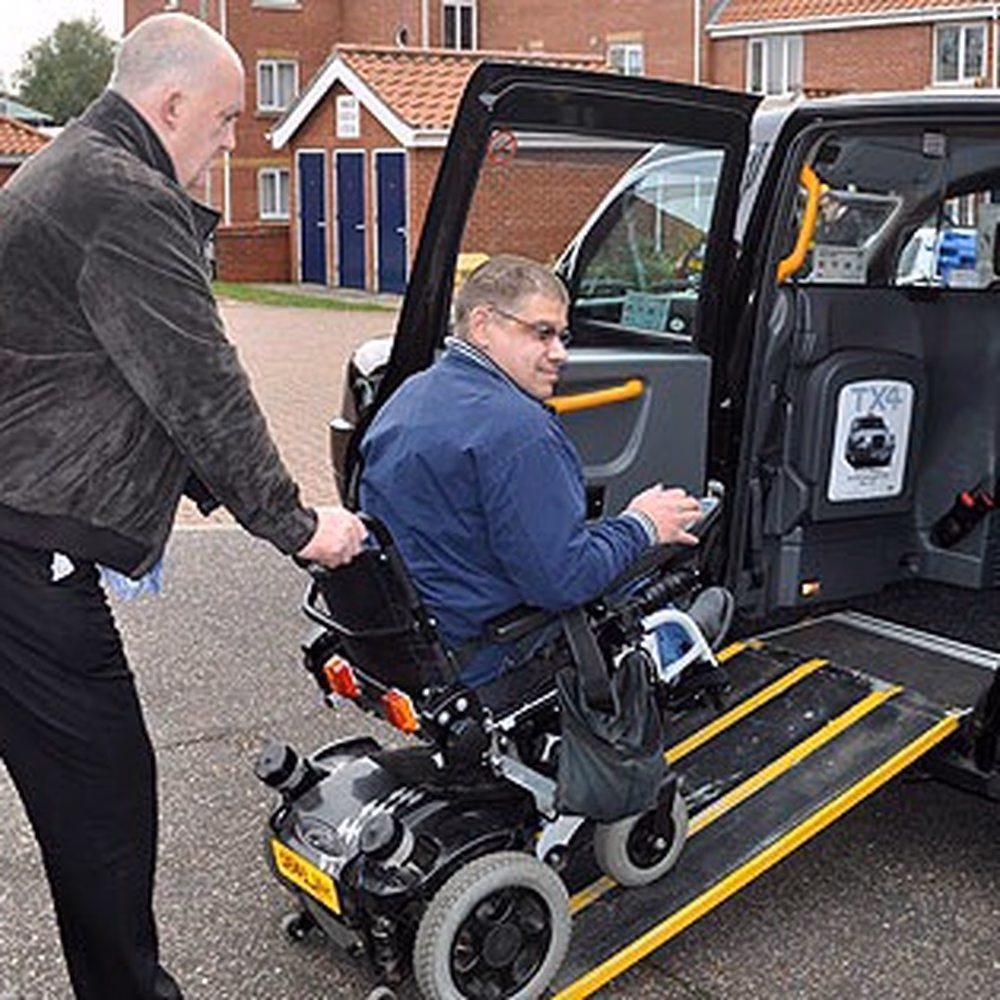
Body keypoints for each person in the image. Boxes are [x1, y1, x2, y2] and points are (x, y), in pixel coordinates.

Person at [0, 13, 365, 1000]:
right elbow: (199, 381)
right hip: (24, 555)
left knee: (91, 801)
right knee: (104, 806)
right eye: (227, 116)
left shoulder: (79, 172)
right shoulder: (120, 194)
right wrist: (298, 524)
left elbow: (128, 381)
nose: (235, 138)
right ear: (169, 105)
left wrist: (211, 486)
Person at [359, 253, 732, 693]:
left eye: (563, 336)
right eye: (542, 334)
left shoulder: (410, 395)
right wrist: (643, 525)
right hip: (496, 655)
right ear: (482, 326)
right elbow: (563, 582)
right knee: (687, 588)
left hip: (423, 641)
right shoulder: (518, 430)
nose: (560, 353)